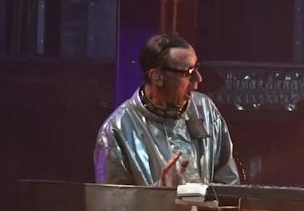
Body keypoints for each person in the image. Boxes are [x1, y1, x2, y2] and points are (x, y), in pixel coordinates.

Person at [95, 33, 240, 187]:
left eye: (197, 67)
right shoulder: (117, 130)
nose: (198, 78)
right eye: (188, 72)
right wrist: (161, 192)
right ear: (156, 76)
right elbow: (114, 206)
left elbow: (229, 184)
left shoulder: (205, 109)